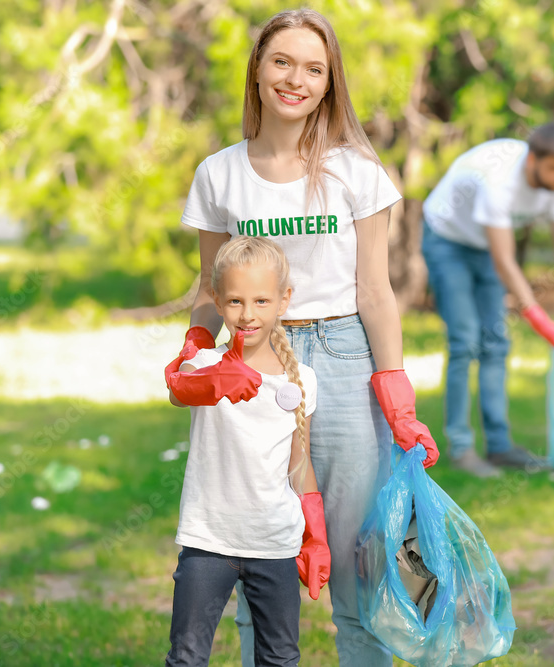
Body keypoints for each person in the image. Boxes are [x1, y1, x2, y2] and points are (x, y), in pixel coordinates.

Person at [172, 9, 438, 666]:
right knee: (249, 550)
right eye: (282, 62)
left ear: (329, 83)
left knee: (358, 559)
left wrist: (395, 389)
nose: (296, 79)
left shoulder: (356, 172)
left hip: (345, 359)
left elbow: (376, 292)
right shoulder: (219, 174)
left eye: (314, 68)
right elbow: (212, 288)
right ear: (258, 71)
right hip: (252, 366)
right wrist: (191, 353)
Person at [164, 236, 330, 666]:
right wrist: (215, 377)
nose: (248, 314)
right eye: (235, 301)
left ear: (283, 301)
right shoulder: (204, 365)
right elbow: (177, 392)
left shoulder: (302, 381)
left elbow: (300, 465)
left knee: (279, 657)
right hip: (208, 539)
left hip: (274, 541)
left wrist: (316, 538)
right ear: (217, 302)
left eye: (261, 300)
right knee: (186, 655)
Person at [421, 122, 554, 478]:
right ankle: (461, 448)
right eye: (553, 169)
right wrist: (538, 317)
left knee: (496, 342)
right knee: (465, 341)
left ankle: (499, 447)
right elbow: (505, 261)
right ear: (531, 162)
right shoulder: (499, 182)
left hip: (485, 246)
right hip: (447, 239)